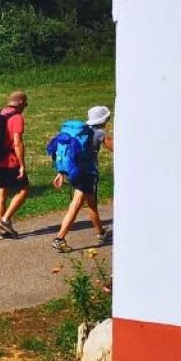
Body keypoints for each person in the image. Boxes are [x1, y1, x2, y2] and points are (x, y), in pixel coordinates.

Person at [51, 105, 113, 252]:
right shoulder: (100, 133)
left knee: (91, 202)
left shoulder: (79, 131)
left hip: (74, 172)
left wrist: (61, 172)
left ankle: (101, 233)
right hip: (87, 173)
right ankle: (60, 238)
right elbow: (118, 149)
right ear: (104, 119)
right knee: (76, 204)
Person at [0, 91, 29, 239]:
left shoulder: (0, 113)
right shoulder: (16, 117)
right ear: (20, 102)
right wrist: (22, 164)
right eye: (25, 103)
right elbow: (17, 143)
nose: (25, 106)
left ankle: (2, 230)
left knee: (1, 194)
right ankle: (5, 220)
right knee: (24, 189)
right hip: (10, 161)